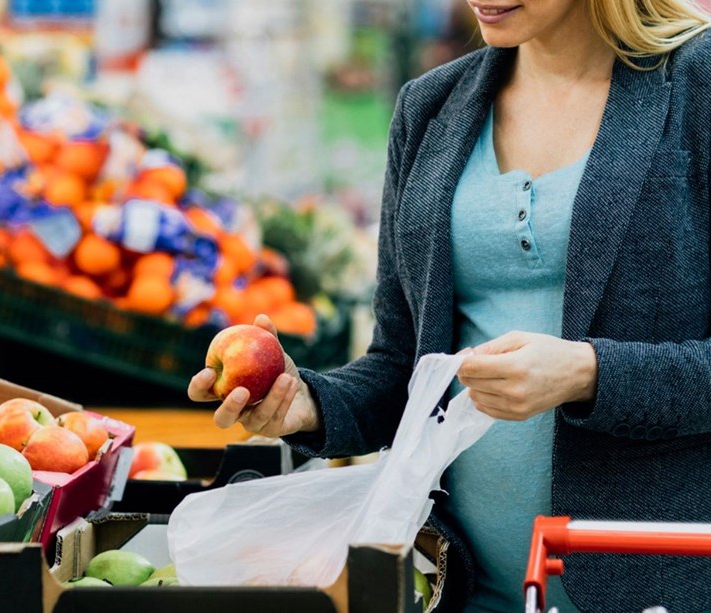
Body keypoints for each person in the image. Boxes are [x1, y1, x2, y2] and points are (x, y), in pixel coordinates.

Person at [189, 1, 711, 611]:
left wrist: (588, 374)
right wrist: (308, 404)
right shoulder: (431, 109)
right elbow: (401, 366)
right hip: (459, 584)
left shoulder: (695, 88)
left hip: (661, 584)